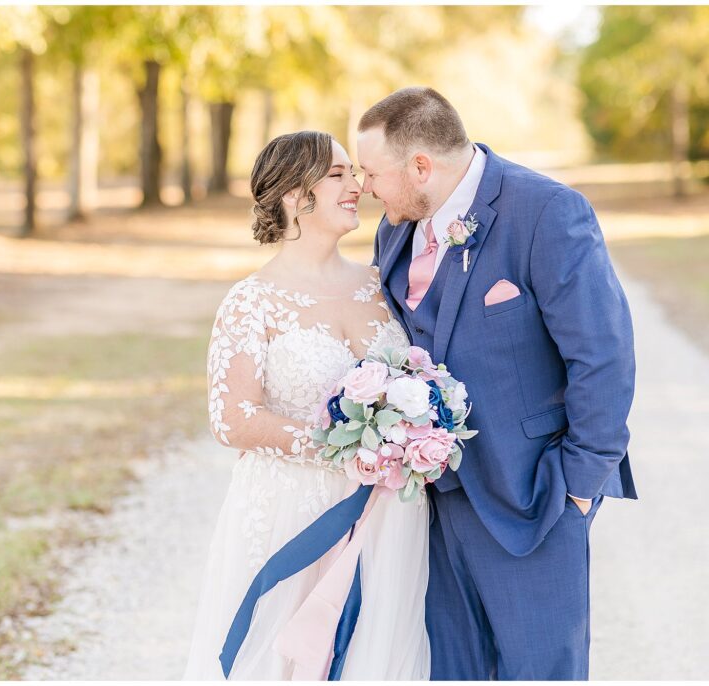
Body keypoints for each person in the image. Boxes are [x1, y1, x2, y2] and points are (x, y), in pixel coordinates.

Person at [357, 86, 637, 680]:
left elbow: (603, 356)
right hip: (427, 509)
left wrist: (577, 488)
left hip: (532, 497)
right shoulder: (394, 231)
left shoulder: (546, 211)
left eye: (371, 173)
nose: (365, 189)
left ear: (420, 166)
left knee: (540, 671)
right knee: (447, 671)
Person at [182, 131, 431, 680]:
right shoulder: (252, 301)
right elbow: (232, 419)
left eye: (355, 173)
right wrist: (345, 446)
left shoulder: (379, 284)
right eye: (339, 174)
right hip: (290, 510)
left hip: (387, 515)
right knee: (284, 656)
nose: (358, 186)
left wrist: (411, 433)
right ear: (296, 196)